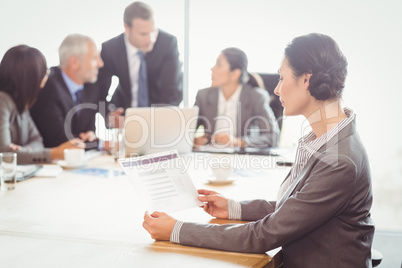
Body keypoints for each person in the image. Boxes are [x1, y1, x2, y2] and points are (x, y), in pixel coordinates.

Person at [142, 33, 375, 267]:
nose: (276, 89)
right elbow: (294, 207)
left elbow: (264, 235)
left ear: (306, 80)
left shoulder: (339, 160)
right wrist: (233, 207)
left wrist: (177, 230)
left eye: (282, 78)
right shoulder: (325, 138)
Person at [96, 1, 183, 128]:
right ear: (127, 28)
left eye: (153, 31)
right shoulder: (110, 50)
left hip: (159, 116)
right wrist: (109, 114)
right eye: (143, 34)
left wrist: (158, 122)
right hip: (125, 117)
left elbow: (172, 90)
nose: (150, 39)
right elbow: (99, 91)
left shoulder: (167, 43)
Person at [0, 45, 84, 164]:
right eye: (43, 70)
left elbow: (38, 141)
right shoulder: (2, 101)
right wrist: (54, 153)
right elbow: (5, 155)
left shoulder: (23, 104)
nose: (47, 73)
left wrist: (23, 152)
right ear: (29, 76)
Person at [193, 47, 279, 148]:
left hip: (242, 158)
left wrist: (239, 142)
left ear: (234, 74)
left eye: (218, 65)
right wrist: (194, 140)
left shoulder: (256, 97)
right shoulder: (203, 95)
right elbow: (186, 133)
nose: (212, 69)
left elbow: (273, 137)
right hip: (210, 156)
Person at [30, 34, 104, 150]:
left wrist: (90, 135)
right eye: (94, 58)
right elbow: (59, 140)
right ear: (74, 62)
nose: (100, 64)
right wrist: (99, 144)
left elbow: (87, 130)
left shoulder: (90, 88)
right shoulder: (48, 88)